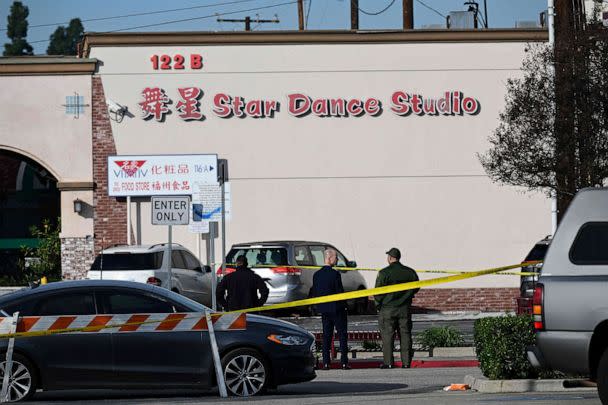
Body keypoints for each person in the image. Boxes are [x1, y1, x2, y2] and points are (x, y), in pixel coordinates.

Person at [375, 247, 419, 369]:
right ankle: (406, 362)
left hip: (388, 309)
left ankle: (388, 362)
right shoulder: (410, 272)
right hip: (404, 308)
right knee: (405, 335)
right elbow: (416, 287)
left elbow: (378, 292)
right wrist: (407, 296)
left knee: (387, 336)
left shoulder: (384, 273)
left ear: (390, 258)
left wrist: (379, 305)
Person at [312, 248, 350, 370]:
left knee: (326, 336)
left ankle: (326, 363)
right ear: (329, 258)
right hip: (337, 309)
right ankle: (344, 362)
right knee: (342, 336)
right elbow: (339, 292)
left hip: (324, 310)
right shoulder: (335, 274)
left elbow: (316, 293)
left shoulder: (316, 275)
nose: (337, 259)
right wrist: (345, 306)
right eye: (336, 257)